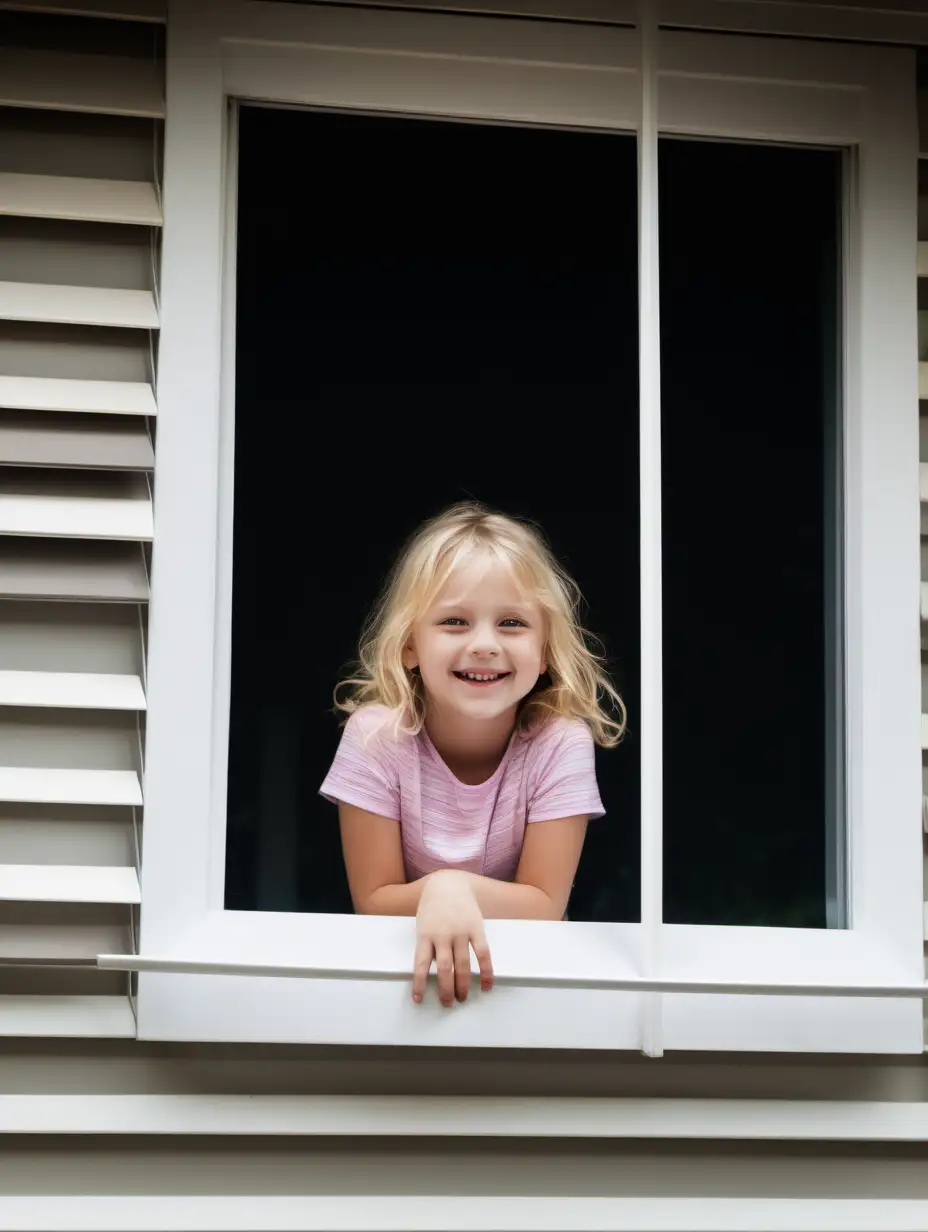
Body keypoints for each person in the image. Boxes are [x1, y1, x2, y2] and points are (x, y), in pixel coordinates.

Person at [320, 502, 624, 1008]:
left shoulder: (559, 743)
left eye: (511, 623)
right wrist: (443, 892)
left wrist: (452, 888)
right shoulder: (375, 738)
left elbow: (545, 906)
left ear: (546, 650)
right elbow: (372, 904)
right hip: (402, 991)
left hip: (527, 991)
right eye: (455, 622)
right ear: (409, 645)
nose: (485, 644)